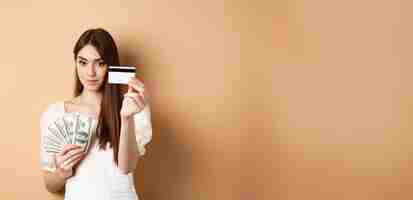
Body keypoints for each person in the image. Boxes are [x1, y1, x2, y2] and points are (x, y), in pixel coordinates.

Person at [39, 28, 152, 200]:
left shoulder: (133, 106)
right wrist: (63, 171)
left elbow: (126, 167)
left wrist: (126, 118)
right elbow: (50, 185)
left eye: (100, 63)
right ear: (75, 62)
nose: (90, 72)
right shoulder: (56, 113)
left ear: (111, 65)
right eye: (83, 62)